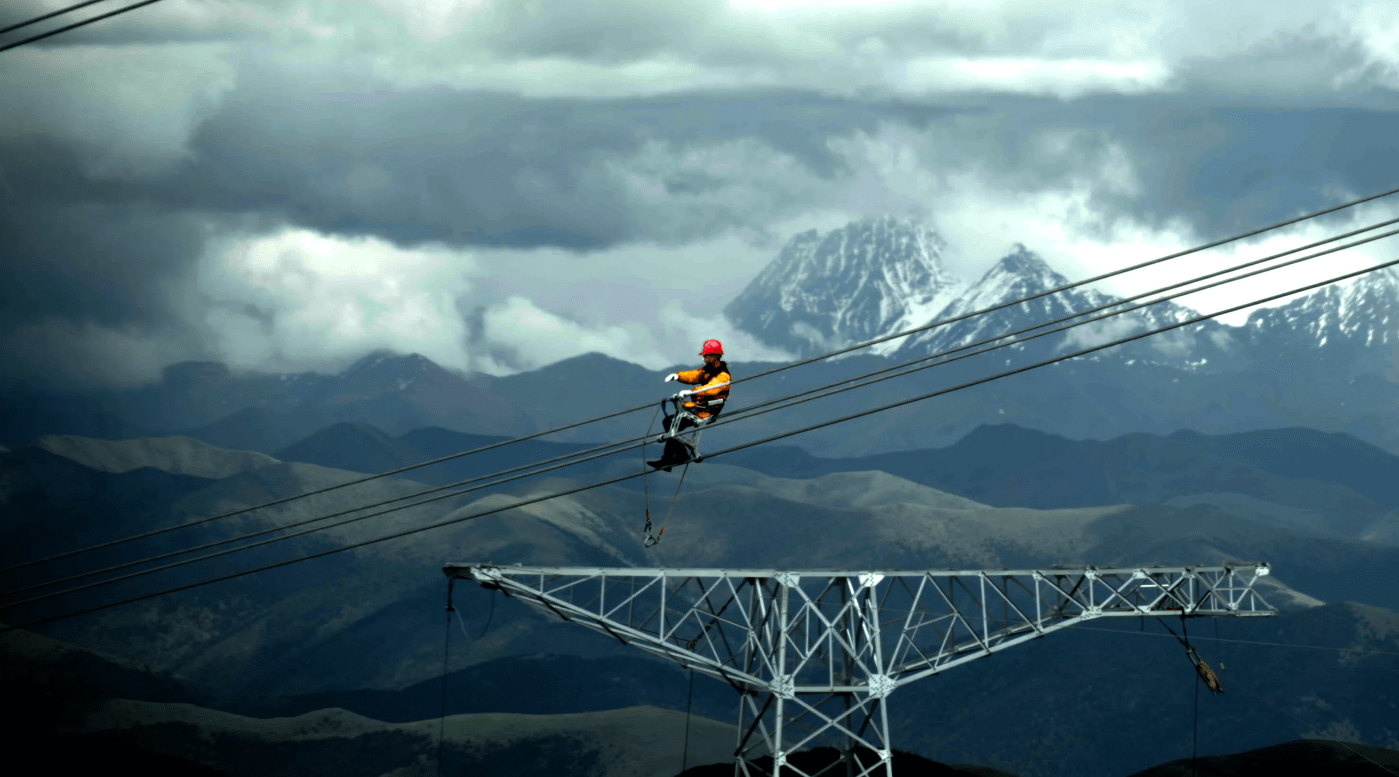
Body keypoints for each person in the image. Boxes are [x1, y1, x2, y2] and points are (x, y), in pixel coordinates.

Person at [647, 339, 731, 471]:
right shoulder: (708, 371)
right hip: (700, 407)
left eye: (706, 355)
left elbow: (711, 389)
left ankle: (672, 459)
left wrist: (692, 392)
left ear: (715, 356)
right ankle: (676, 457)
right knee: (670, 423)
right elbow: (694, 375)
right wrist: (678, 376)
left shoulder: (723, 376)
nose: (704, 357)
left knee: (671, 425)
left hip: (707, 410)